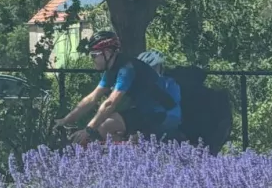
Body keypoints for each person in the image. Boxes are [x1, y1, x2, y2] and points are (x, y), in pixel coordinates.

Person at [54, 31, 182, 146]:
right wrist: (66, 120)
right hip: (146, 112)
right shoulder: (112, 69)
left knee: (105, 127)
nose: (92, 59)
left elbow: (110, 103)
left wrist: (89, 129)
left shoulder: (127, 69)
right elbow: (91, 98)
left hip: (165, 114)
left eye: (94, 55)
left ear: (108, 52)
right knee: (106, 127)